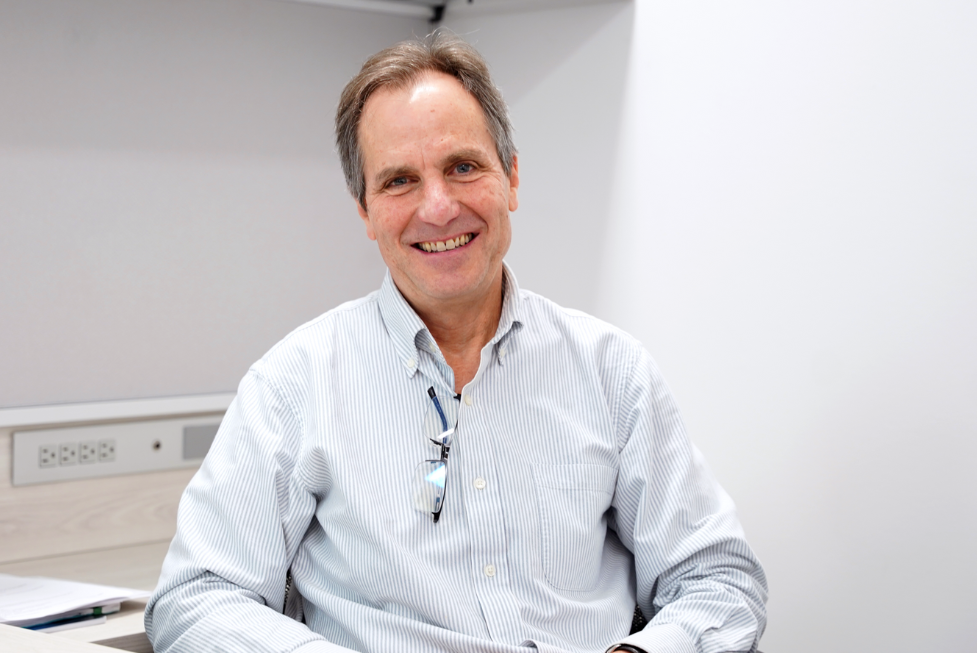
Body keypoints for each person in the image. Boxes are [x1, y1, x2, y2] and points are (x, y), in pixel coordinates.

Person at [145, 31, 767, 653]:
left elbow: (717, 581)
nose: (439, 208)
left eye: (462, 167)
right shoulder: (294, 385)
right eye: (399, 181)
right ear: (364, 209)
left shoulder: (611, 371)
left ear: (511, 177)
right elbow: (195, 599)